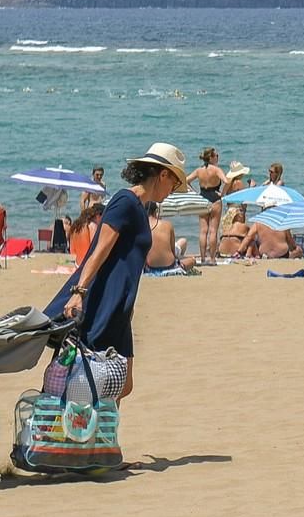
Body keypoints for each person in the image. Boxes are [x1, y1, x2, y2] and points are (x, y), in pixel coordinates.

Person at [46, 141, 188, 401]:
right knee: (95, 381)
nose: (173, 190)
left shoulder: (140, 208)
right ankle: (89, 437)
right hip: (103, 300)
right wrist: (79, 292)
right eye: (175, 183)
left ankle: (101, 438)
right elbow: (99, 250)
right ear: (163, 174)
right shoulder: (125, 201)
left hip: (121, 307)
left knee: (122, 384)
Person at [188, 147, 228, 264]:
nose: (217, 157)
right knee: (213, 231)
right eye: (216, 156)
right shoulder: (216, 170)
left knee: (203, 231)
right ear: (211, 157)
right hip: (215, 199)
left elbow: (185, 181)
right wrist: (222, 194)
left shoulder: (199, 170)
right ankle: (212, 259)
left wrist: (194, 193)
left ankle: (203, 258)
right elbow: (226, 181)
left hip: (202, 199)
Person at [145, 205, 196, 272]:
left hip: (150, 268)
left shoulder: (141, 226)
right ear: (156, 211)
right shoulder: (168, 224)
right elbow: (173, 251)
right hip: (170, 267)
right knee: (192, 260)